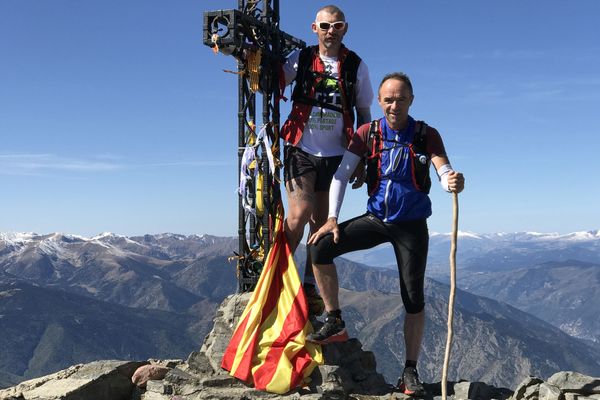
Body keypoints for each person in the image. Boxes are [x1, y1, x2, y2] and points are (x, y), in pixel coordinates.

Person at [306, 72, 465, 397]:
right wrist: (332, 218)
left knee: (413, 298)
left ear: (411, 100)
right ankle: (333, 315)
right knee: (320, 247)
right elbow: (341, 174)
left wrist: (451, 179)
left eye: (400, 98)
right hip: (378, 218)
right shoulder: (368, 133)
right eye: (388, 99)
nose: (394, 105)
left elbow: (441, 166)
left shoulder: (424, 134)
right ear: (380, 102)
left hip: (411, 225)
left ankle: (410, 371)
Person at [280, 5, 373, 314]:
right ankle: (278, 276)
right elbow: (275, 80)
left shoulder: (356, 65)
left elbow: (364, 114)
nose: (330, 31)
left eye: (337, 26)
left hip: (337, 155)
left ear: (345, 28)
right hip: (301, 150)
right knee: (300, 212)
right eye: (325, 25)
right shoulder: (303, 59)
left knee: (320, 226)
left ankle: (307, 285)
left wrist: (363, 157)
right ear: (314, 28)